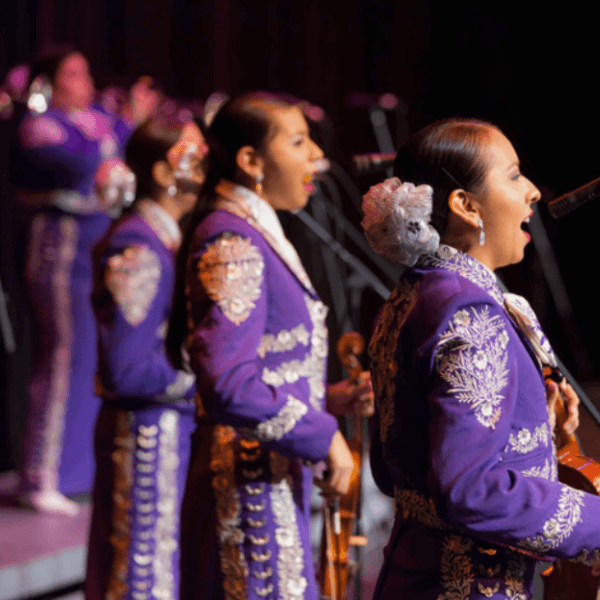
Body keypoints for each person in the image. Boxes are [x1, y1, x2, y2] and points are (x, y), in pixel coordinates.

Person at [362, 117, 600, 599]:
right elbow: (470, 488)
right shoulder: (467, 309)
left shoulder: (413, 294)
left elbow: (395, 469)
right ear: (466, 206)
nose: (532, 191)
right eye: (513, 175)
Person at [166, 92, 373, 600]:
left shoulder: (251, 228)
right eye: (299, 142)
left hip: (268, 475)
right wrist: (324, 434)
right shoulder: (231, 240)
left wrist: (329, 399)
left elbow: (259, 371)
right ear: (250, 160)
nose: (315, 157)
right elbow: (230, 386)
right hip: (246, 490)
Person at [12, 46, 157, 514]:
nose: (84, 81)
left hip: (94, 250)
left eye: (85, 71)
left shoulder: (95, 120)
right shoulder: (42, 124)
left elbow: (132, 151)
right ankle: (42, 474)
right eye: (72, 73)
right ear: (48, 84)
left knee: (90, 357)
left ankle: (76, 471)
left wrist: (132, 118)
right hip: (60, 249)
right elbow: (76, 167)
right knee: (63, 357)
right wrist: (118, 127)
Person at [84, 118, 206, 600]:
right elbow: (129, 369)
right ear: (162, 171)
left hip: (166, 428)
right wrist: (208, 381)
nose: (206, 164)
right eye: (194, 154)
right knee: (141, 574)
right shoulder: (137, 244)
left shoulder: (164, 236)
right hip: (146, 435)